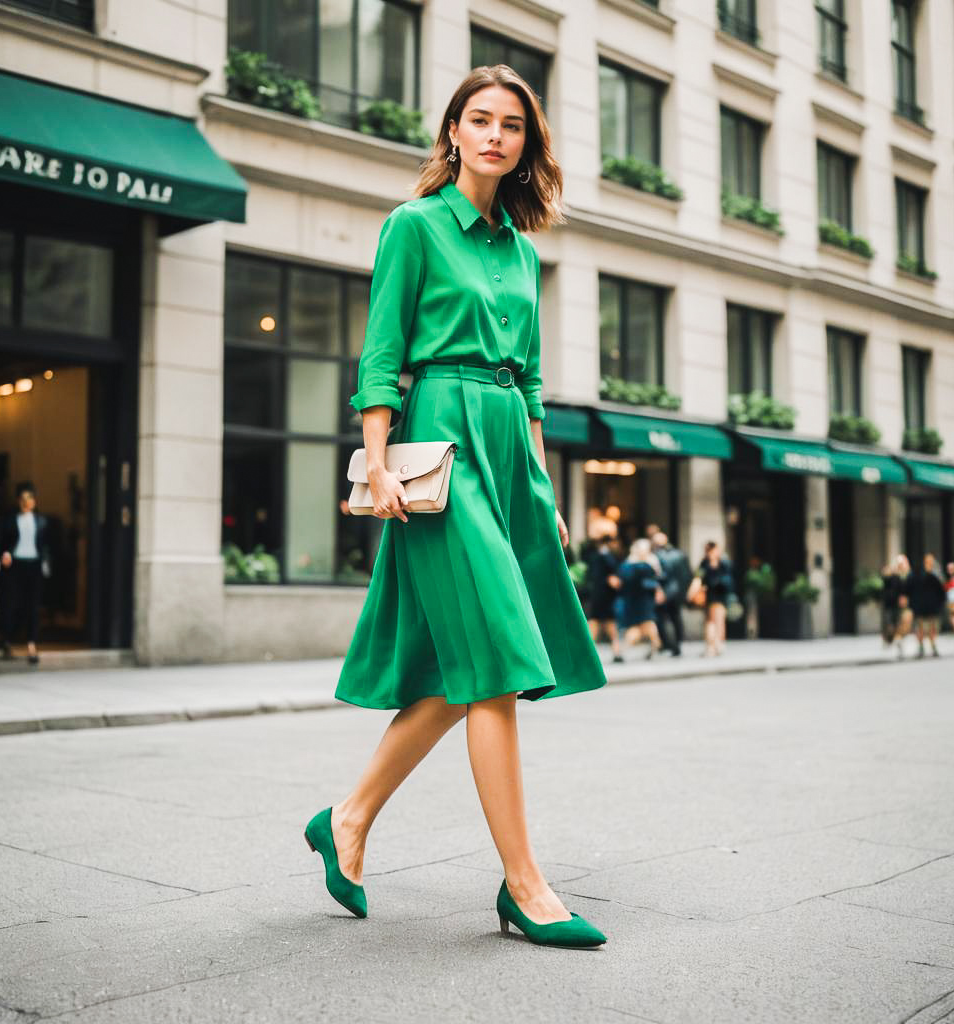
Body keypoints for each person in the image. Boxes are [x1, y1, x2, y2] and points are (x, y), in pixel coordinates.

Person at [309, 65, 607, 950]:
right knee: (505, 662)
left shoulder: (523, 251)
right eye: (479, 119)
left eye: (512, 125)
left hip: (509, 451)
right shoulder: (415, 226)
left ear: (526, 146)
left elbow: (534, 385)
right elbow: (380, 356)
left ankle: (349, 818)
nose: (494, 135)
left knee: (458, 671)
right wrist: (376, 461)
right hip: (440, 445)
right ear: (451, 132)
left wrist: (546, 490)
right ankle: (525, 886)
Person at [0, 482, 51, 665]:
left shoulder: (41, 521)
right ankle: (7, 641)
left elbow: (45, 546)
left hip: (34, 565)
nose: (25, 502)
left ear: (34, 501)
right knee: (12, 603)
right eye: (22, 499)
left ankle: (32, 644)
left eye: (29, 499)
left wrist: (46, 563)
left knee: (33, 606)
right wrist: (4, 554)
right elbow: (2, 542)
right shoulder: (10, 520)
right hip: (15, 564)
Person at [611, 538, 664, 659]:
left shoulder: (631, 565)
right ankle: (656, 646)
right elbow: (656, 580)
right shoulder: (641, 565)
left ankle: (621, 651)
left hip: (638, 599)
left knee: (643, 624)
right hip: (639, 599)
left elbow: (621, 581)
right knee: (645, 624)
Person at [689, 540, 734, 657]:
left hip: (716, 595)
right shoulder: (718, 563)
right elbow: (698, 578)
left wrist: (692, 592)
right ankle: (715, 646)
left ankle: (713, 646)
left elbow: (698, 578)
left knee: (712, 622)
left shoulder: (714, 563)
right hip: (714, 595)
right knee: (715, 622)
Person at [652, 530, 689, 657]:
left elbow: (660, 576)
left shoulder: (657, 556)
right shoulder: (680, 554)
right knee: (675, 618)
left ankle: (667, 644)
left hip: (665, 592)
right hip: (677, 591)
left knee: (660, 619)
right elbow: (687, 575)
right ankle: (676, 644)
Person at [587, 537, 623, 662]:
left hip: (598, 596)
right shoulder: (606, 556)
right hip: (604, 597)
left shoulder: (595, 557)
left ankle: (588, 653)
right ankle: (616, 652)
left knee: (597, 623)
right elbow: (614, 573)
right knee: (604, 624)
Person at [909, 553, 946, 658]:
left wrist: (940, 603)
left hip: (932, 605)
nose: (930, 563)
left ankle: (933, 646)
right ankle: (921, 647)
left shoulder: (936, 574)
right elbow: (911, 587)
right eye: (928, 561)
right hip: (920, 605)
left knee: (933, 626)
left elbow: (941, 590)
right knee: (919, 626)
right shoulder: (917, 574)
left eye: (931, 561)